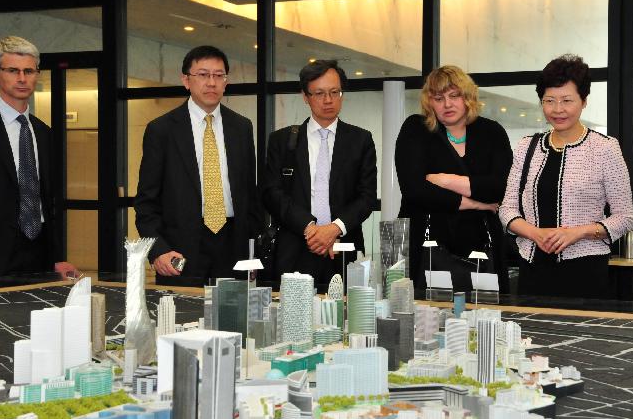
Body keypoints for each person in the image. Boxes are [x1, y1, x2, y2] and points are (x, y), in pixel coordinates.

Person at [499, 54, 633, 298]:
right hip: (532, 268)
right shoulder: (526, 147)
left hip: (585, 270)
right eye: (549, 100)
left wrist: (577, 232)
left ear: (584, 101)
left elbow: (625, 217)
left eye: (567, 100)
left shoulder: (604, 148)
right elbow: (507, 209)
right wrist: (534, 233)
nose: (557, 109)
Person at [134, 45, 261, 286]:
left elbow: (249, 192)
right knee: (182, 320)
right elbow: (146, 201)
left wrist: (253, 243)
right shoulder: (162, 129)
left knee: (233, 320)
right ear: (186, 80)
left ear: (226, 81)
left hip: (233, 245)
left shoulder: (242, 127)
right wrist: (158, 250)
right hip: (180, 248)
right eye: (203, 75)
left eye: (218, 75)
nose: (211, 83)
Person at [395, 65, 513, 293]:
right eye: (438, 98)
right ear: (429, 102)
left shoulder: (492, 132)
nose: (447, 104)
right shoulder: (415, 129)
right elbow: (414, 190)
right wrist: (476, 202)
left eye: (454, 96)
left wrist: (445, 180)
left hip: (483, 243)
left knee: (484, 318)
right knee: (425, 320)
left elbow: (501, 187)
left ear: (468, 97)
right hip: (426, 244)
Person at [261, 59, 377, 287]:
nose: (328, 100)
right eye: (319, 93)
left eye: (335, 92)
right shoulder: (282, 140)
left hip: (343, 250)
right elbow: (271, 193)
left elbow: (367, 197)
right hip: (296, 247)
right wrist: (311, 229)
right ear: (305, 96)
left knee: (349, 316)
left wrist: (334, 229)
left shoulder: (360, 140)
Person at [0, 36, 78, 280]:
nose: (22, 78)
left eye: (29, 71)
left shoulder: (44, 133)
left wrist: (56, 257)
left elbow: (48, 200)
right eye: (13, 70)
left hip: (38, 254)